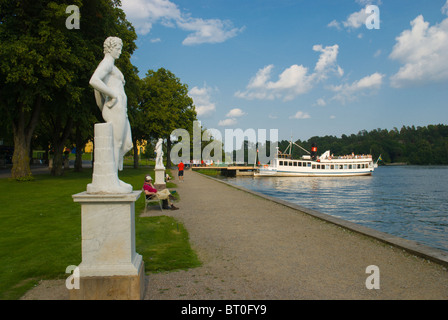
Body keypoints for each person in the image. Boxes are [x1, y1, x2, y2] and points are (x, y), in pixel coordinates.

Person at [89, 36, 133, 173]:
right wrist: (112, 96)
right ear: (111, 48)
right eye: (118, 49)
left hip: (120, 108)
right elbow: (94, 81)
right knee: (117, 143)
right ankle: (112, 177)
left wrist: (102, 104)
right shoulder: (107, 63)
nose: (120, 52)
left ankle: (113, 174)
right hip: (115, 106)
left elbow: (97, 90)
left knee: (127, 144)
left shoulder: (111, 65)